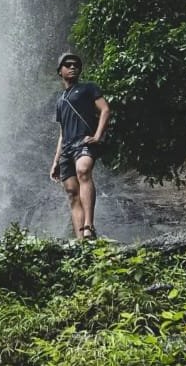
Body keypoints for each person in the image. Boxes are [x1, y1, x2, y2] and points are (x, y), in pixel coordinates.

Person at [50, 52, 110, 240]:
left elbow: (105, 109)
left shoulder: (88, 88)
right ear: (60, 71)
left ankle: (89, 226)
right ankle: (80, 241)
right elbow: (62, 133)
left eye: (76, 64)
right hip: (67, 148)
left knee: (83, 170)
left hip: (83, 141)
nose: (73, 67)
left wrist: (97, 135)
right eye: (68, 64)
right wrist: (56, 161)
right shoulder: (60, 101)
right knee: (71, 193)